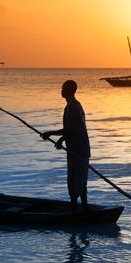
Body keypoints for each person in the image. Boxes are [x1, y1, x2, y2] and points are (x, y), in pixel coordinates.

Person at [40, 80, 91, 212]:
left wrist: (51, 133)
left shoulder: (72, 107)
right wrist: (62, 139)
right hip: (81, 149)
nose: (61, 90)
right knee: (81, 181)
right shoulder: (75, 105)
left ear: (69, 90)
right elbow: (73, 129)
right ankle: (84, 209)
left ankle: (75, 211)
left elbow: (70, 130)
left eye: (63, 88)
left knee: (74, 181)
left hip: (77, 151)